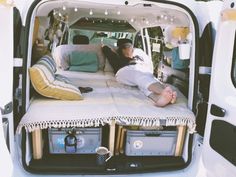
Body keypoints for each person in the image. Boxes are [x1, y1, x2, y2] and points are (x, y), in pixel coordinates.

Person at [102, 38, 177, 107]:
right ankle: (163, 91)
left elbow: (148, 67)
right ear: (121, 48)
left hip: (141, 71)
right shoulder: (116, 57)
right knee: (139, 76)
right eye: (128, 46)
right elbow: (104, 48)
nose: (131, 48)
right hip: (123, 71)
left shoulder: (138, 57)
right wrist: (108, 46)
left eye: (131, 46)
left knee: (146, 81)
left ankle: (159, 98)